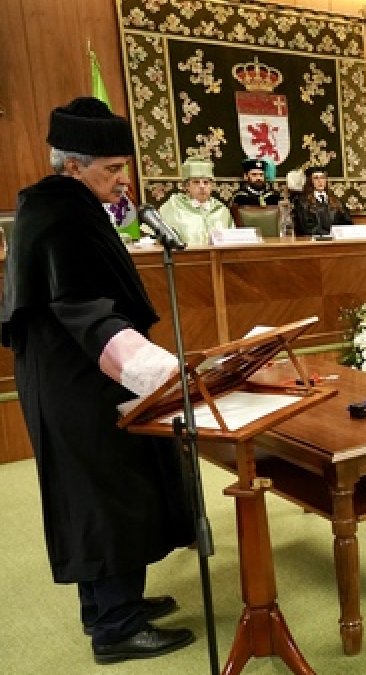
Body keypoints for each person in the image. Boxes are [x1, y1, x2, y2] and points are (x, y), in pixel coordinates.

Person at [0, 97, 195, 664]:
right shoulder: (62, 213)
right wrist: (155, 370)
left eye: (122, 167)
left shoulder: (60, 206)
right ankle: (115, 626)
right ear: (72, 167)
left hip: (71, 377)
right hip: (80, 382)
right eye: (110, 170)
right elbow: (84, 308)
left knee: (104, 493)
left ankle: (114, 603)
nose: (122, 180)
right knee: (106, 495)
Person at [157, 157, 234, 245]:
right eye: (196, 182)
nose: (202, 186)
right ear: (186, 186)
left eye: (206, 182)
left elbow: (234, 242)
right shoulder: (172, 206)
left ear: (212, 186)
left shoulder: (221, 210)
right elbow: (154, 239)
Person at [292, 166, 353, 236]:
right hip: (314, 242)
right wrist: (327, 234)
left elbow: (347, 222)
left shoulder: (336, 201)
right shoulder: (302, 202)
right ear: (309, 181)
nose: (320, 181)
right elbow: (305, 227)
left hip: (336, 241)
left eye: (322, 177)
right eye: (316, 178)